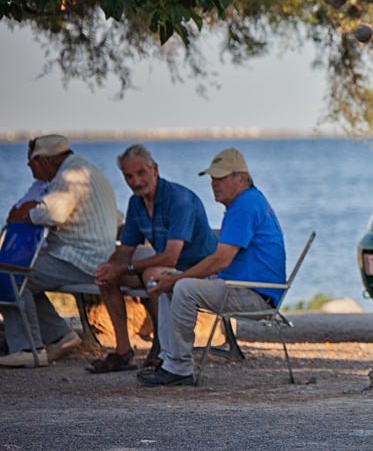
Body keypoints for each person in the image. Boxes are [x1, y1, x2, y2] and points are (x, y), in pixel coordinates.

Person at [141, 148, 285, 387]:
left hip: (255, 294)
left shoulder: (245, 205)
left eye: (220, 178)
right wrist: (173, 279)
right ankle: (168, 361)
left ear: (241, 177)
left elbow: (221, 260)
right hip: (243, 287)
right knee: (167, 281)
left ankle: (179, 368)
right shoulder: (247, 201)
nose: (214, 184)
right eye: (212, 178)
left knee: (183, 287)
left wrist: (178, 280)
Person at [87, 145, 217, 373]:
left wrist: (125, 267)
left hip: (199, 272)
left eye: (141, 173)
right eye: (129, 176)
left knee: (152, 276)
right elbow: (125, 250)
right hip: (171, 270)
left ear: (154, 169)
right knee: (107, 277)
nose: (136, 181)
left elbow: (170, 258)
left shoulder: (179, 199)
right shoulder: (136, 204)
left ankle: (165, 353)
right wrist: (110, 267)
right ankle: (124, 352)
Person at [0, 135, 117, 367]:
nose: (27, 166)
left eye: (32, 161)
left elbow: (51, 214)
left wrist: (27, 216)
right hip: (96, 256)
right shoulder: (85, 169)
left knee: (13, 274)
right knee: (24, 279)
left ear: (45, 161)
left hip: (83, 259)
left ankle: (28, 349)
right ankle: (59, 336)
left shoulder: (68, 176)